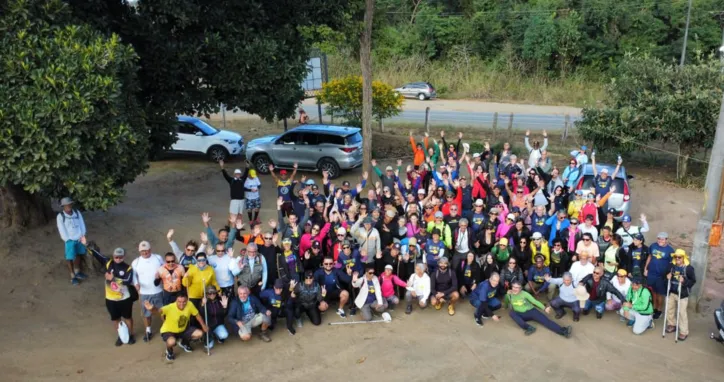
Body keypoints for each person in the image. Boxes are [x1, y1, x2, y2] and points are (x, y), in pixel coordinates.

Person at [91, 245, 136, 346]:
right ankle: (121, 335)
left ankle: (131, 334)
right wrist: (85, 245)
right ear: (113, 256)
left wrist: (113, 278)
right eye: (116, 257)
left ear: (123, 257)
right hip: (110, 298)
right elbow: (97, 255)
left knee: (128, 317)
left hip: (124, 298)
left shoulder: (128, 268)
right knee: (115, 318)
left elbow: (128, 281)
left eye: (120, 257)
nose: (118, 259)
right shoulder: (108, 262)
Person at [144, 292, 208, 362]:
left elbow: (197, 315)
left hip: (183, 329)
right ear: (176, 301)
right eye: (179, 301)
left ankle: (184, 342)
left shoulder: (190, 304)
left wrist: (203, 326)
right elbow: (159, 311)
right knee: (172, 342)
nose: (182, 304)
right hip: (169, 331)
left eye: (184, 302)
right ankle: (169, 351)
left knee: (199, 334)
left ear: (187, 300)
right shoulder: (170, 307)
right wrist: (152, 309)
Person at [504, 280, 572, 338]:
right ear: (511, 287)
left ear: (520, 288)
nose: (515, 289)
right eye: (514, 287)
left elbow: (534, 301)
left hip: (531, 311)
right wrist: (505, 307)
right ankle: (529, 328)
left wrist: (544, 308)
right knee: (511, 313)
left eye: (517, 288)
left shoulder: (524, 294)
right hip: (520, 314)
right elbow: (506, 302)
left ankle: (563, 331)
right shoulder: (508, 295)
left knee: (546, 321)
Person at [132, 240, 164, 342]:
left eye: (146, 250)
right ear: (139, 250)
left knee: (163, 311)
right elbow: (133, 276)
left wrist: (160, 275)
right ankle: (148, 330)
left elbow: (165, 268)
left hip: (158, 290)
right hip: (144, 292)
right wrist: (136, 284)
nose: (145, 252)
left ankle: (166, 329)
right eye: (142, 251)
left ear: (150, 249)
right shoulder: (136, 262)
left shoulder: (158, 258)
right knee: (146, 313)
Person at [664, 249, 696, 341]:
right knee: (669, 309)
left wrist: (684, 281)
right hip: (671, 292)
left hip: (682, 294)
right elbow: (665, 277)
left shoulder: (688, 268)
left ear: (683, 258)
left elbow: (693, 281)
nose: (677, 258)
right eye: (676, 257)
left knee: (682, 313)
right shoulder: (671, 266)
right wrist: (667, 277)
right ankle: (672, 324)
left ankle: (683, 332)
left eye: (679, 257)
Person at [56, 197, 88, 285]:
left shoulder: (77, 213)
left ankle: (77, 272)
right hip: (69, 240)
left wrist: (82, 234)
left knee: (78, 254)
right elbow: (61, 229)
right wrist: (67, 239)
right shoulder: (60, 216)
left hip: (79, 238)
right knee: (69, 257)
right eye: (66, 205)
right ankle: (72, 276)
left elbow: (82, 224)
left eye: (70, 204)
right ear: (63, 206)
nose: (68, 206)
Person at [645, 232, 674, 319]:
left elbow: (672, 263)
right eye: (659, 238)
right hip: (651, 273)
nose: (660, 240)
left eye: (662, 239)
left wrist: (670, 273)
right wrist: (645, 268)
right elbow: (649, 256)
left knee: (660, 294)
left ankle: (659, 309)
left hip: (661, 276)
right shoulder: (653, 246)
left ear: (666, 240)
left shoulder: (670, 250)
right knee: (653, 291)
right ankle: (654, 308)